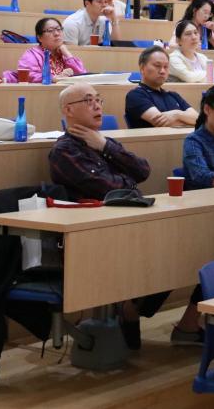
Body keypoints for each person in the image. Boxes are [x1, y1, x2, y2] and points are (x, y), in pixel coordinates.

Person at [49, 82, 198, 349]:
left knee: (181, 250)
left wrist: (105, 145)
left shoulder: (102, 141)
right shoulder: (64, 151)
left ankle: (131, 308)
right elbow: (110, 188)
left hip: (127, 219)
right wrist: (125, 177)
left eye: (99, 99)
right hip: (95, 230)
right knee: (167, 250)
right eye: (88, 100)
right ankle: (129, 310)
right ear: (68, 110)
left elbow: (142, 170)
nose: (97, 105)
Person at [124, 46, 199, 128]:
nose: (162, 71)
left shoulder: (173, 95)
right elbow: (162, 123)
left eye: (166, 67)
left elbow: (198, 120)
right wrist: (188, 120)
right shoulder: (136, 95)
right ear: (142, 68)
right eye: (157, 65)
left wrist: (177, 114)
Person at [3, 17, 86, 83]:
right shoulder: (31, 55)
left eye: (59, 29)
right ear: (39, 37)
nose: (57, 34)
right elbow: (29, 76)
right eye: (50, 30)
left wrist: (67, 53)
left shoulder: (63, 55)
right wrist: (53, 78)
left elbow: (82, 75)